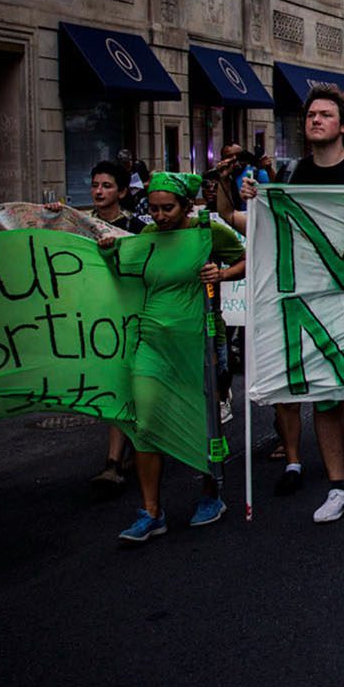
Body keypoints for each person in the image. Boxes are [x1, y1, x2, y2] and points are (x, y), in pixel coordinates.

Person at [242, 86, 344, 518]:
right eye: (311, 114)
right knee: (324, 395)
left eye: (325, 115)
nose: (315, 120)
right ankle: (339, 487)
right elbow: (271, 229)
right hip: (311, 298)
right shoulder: (292, 174)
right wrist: (250, 200)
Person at [105, 172, 246, 542]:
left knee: (202, 420)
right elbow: (127, 274)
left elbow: (249, 260)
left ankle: (211, 492)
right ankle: (151, 511)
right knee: (145, 420)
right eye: (153, 209)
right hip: (151, 340)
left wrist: (222, 273)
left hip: (199, 339)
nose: (159, 216)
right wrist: (108, 251)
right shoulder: (148, 237)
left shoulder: (208, 231)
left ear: (186, 205)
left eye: (167, 208)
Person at [85, 160, 146, 494]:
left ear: (121, 192)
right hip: (95, 320)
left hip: (130, 317)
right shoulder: (80, 227)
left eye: (106, 186)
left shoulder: (136, 228)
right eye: (95, 185)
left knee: (129, 386)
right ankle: (126, 453)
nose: (98, 191)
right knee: (116, 387)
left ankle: (114, 462)